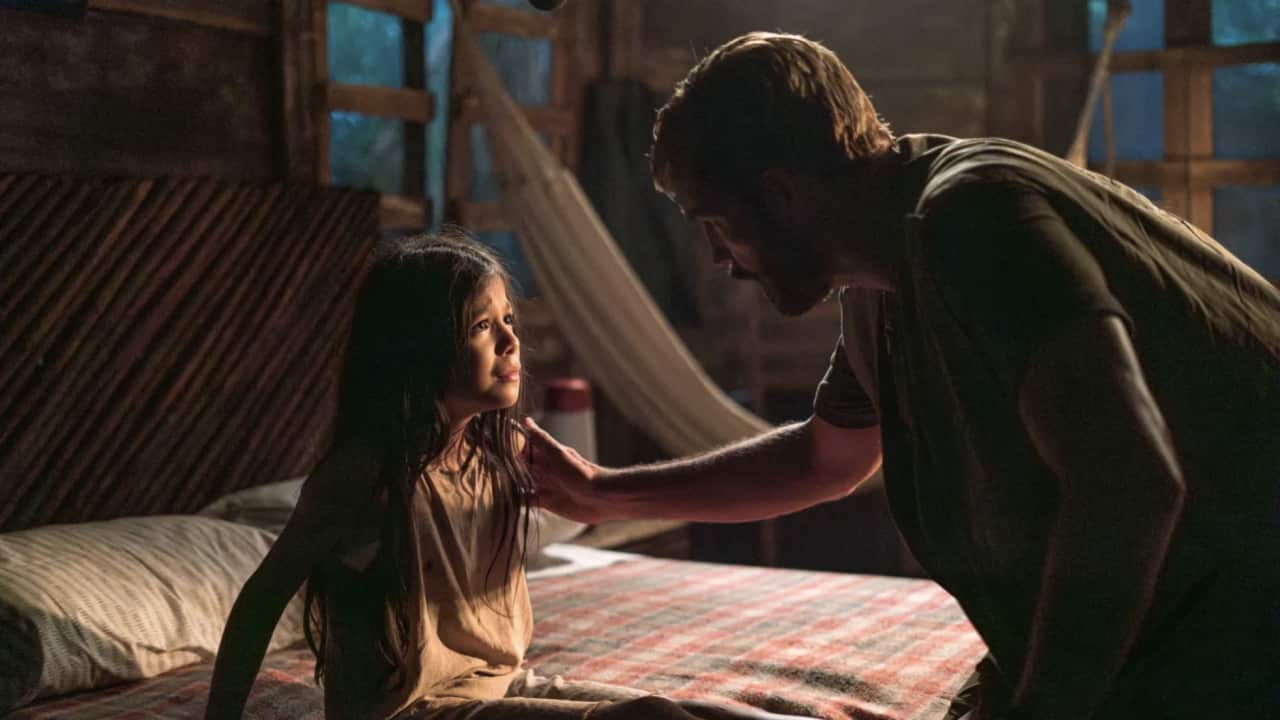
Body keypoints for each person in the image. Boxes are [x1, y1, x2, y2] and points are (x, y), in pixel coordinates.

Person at [524, 32, 1280, 720]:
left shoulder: (973, 217)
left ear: (783, 194)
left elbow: (1131, 482)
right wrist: (601, 489)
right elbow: (826, 460)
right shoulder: (877, 291)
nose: (721, 260)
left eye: (717, 225)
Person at [204, 232, 813, 720]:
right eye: (480, 326)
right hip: (416, 709)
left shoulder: (496, 457)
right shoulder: (365, 475)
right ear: (418, 349)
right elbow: (262, 598)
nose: (510, 339)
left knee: (718, 713)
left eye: (509, 318)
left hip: (496, 684)